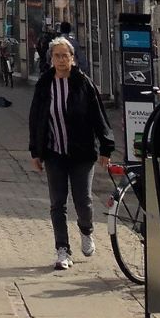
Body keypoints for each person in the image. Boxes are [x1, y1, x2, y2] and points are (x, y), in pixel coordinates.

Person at [28, 35, 114, 271]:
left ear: (73, 58)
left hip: (82, 153)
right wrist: (35, 151)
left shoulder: (83, 83)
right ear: (51, 59)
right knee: (57, 203)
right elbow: (36, 118)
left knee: (83, 201)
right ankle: (62, 250)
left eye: (66, 56)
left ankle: (86, 231)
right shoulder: (45, 84)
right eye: (57, 56)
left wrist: (106, 148)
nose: (62, 60)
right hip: (54, 152)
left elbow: (99, 117)